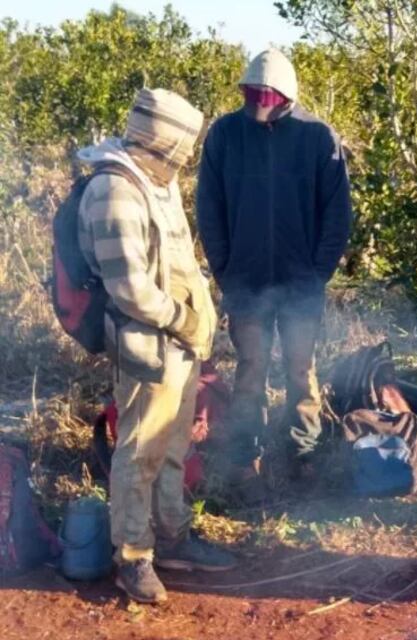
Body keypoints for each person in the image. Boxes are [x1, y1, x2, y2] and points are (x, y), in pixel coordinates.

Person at [77, 89, 235, 604]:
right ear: (163, 142)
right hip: (147, 346)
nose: (183, 160)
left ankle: (173, 538)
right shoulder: (114, 189)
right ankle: (132, 555)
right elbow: (130, 289)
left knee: (172, 447)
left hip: (179, 345)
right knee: (141, 450)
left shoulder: (152, 182)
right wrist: (186, 321)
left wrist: (198, 325)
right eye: (180, 149)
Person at [196, 48, 353, 495]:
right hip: (245, 284)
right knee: (250, 370)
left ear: (285, 96)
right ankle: (246, 461)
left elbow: (337, 215)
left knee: (302, 371)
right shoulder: (225, 134)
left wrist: (317, 273)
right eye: (253, 96)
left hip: (302, 284)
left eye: (267, 97)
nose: (259, 105)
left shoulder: (317, 137)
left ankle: (302, 455)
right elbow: (209, 208)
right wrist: (225, 270)